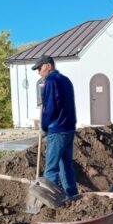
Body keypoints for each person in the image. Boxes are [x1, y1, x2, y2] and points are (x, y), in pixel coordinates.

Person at [32, 55, 78, 197]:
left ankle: (50, 201)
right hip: (69, 129)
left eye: (40, 68)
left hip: (57, 130)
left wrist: (44, 126)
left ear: (48, 66)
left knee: (51, 169)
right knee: (66, 167)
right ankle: (72, 197)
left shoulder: (51, 81)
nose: (38, 72)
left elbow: (50, 108)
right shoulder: (66, 80)